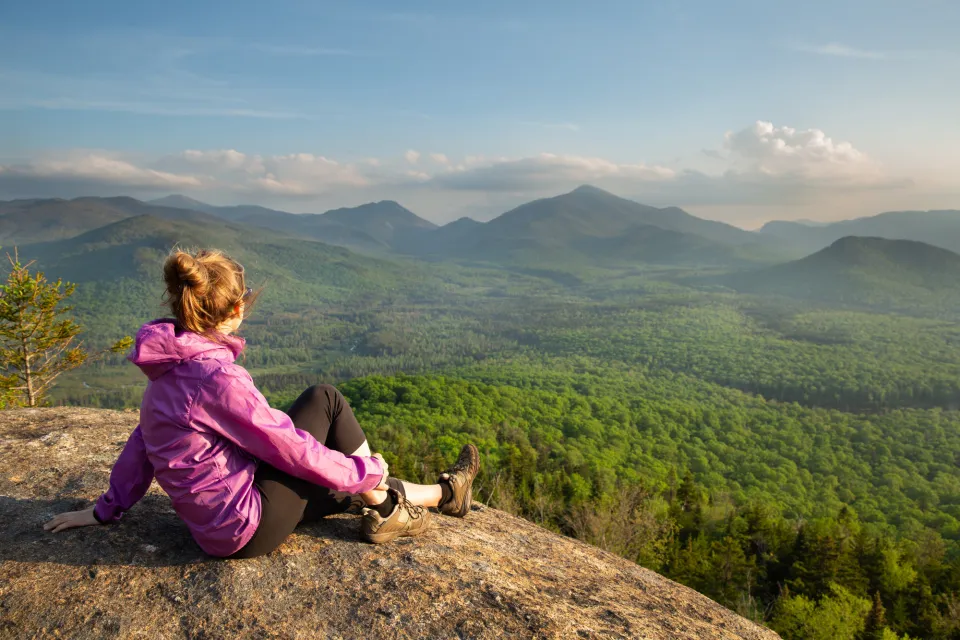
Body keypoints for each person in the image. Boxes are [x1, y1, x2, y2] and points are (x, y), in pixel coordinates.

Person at [43, 248, 480, 558]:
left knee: (329, 452)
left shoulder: (168, 368)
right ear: (235, 309)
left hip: (223, 517)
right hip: (244, 527)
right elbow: (287, 447)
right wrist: (367, 470)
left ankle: (442, 495)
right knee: (326, 408)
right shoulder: (216, 378)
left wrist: (105, 511)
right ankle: (387, 509)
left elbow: (144, 444)